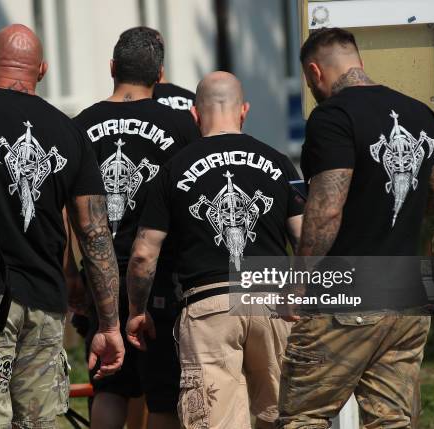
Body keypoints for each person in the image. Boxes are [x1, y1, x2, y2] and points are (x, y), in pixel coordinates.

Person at [0, 24, 124, 429]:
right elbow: (95, 234)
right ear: (43, 70)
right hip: (45, 308)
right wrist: (109, 324)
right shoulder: (70, 133)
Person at [277, 28, 434, 428]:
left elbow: (326, 209)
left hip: (347, 295)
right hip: (406, 297)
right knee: (390, 421)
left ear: (315, 71)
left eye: (309, 82)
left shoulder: (332, 117)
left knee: (303, 417)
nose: (313, 90)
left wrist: (300, 283)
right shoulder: (421, 113)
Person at [126, 71, 304, 429]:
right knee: (284, 418)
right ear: (244, 111)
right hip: (272, 302)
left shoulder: (172, 170)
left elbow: (144, 253)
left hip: (209, 307)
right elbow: (308, 237)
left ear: (194, 114)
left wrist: (137, 310)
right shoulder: (281, 163)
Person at [73, 26, 200, 429]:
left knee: (109, 388)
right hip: (160, 276)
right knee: (162, 397)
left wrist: (69, 275)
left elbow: (66, 210)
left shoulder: (81, 126)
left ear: (112, 67)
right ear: (159, 76)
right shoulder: (181, 127)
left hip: (101, 276)